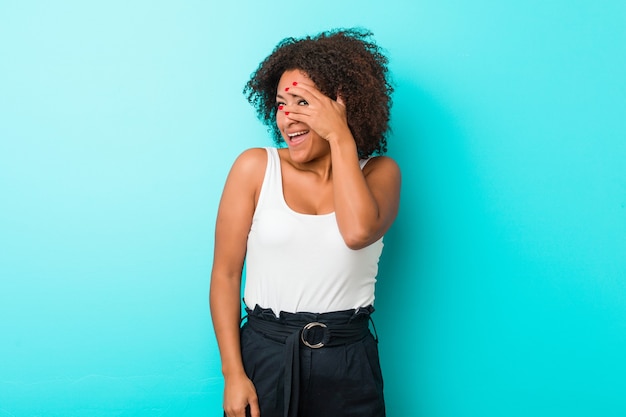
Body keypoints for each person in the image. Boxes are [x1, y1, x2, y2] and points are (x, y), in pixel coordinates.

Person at [209, 28, 401, 417]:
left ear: (342, 105)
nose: (288, 117)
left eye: (303, 102)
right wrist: (233, 374)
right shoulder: (254, 168)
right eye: (282, 104)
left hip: (350, 361)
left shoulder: (380, 174)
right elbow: (226, 275)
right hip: (266, 354)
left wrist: (340, 139)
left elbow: (357, 232)